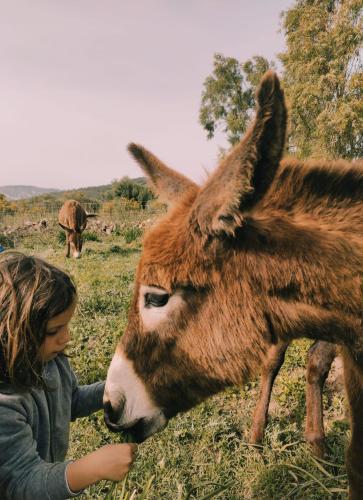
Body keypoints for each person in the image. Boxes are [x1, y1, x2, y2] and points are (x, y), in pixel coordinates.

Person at [0, 252, 137, 499]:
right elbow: (23, 482)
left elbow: (70, 401)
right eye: (54, 330)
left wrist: (115, 388)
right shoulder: (5, 406)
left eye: (67, 325)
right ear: (13, 334)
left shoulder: (52, 361)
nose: (66, 338)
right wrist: (89, 469)